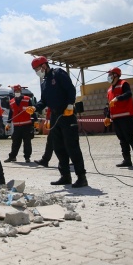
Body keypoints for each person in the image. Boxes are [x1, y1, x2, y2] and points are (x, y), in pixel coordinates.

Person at [26, 56, 88, 188]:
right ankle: (65, 176)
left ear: (44, 65)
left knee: (72, 146)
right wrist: (35, 107)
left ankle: (82, 177)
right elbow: (44, 101)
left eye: (37, 68)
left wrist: (70, 104)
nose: (37, 71)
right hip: (55, 116)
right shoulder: (44, 82)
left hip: (67, 113)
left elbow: (70, 89)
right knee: (58, 147)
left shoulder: (58, 73)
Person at [106, 67, 133, 168]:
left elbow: (128, 94)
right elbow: (109, 104)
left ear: (116, 75)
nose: (109, 76)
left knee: (130, 137)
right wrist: (107, 116)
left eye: (110, 74)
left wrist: (118, 98)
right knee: (122, 139)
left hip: (125, 116)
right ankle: (127, 160)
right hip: (116, 118)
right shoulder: (110, 89)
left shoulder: (123, 83)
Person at [4, 85, 36, 163]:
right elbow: (11, 113)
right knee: (15, 142)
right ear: (14, 92)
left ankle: (27, 157)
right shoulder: (11, 101)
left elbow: (32, 110)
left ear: (21, 92)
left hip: (26, 125)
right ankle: (12, 157)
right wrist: (8, 123)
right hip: (16, 126)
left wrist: (35, 120)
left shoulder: (27, 99)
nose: (17, 93)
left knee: (27, 143)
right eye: (16, 92)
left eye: (18, 91)